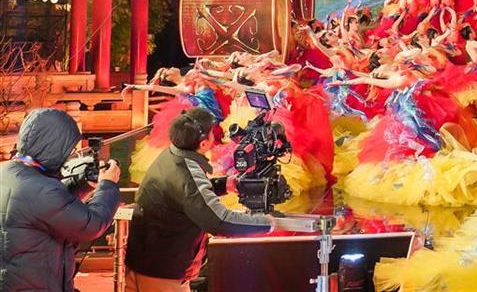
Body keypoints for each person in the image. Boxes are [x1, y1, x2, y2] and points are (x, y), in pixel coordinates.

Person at [124, 107, 275, 291]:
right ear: (203, 144)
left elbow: (184, 194)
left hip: (146, 263)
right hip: (161, 272)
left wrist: (223, 185)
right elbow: (219, 221)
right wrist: (267, 223)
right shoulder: (185, 172)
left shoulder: (171, 154)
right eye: (212, 133)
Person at [0, 108, 122, 292]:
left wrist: (81, 184)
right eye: (69, 149)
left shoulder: (8, 172)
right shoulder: (41, 190)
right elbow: (93, 224)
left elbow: (50, 208)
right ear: (54, 145)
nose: (69, 155)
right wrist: (108, 185)